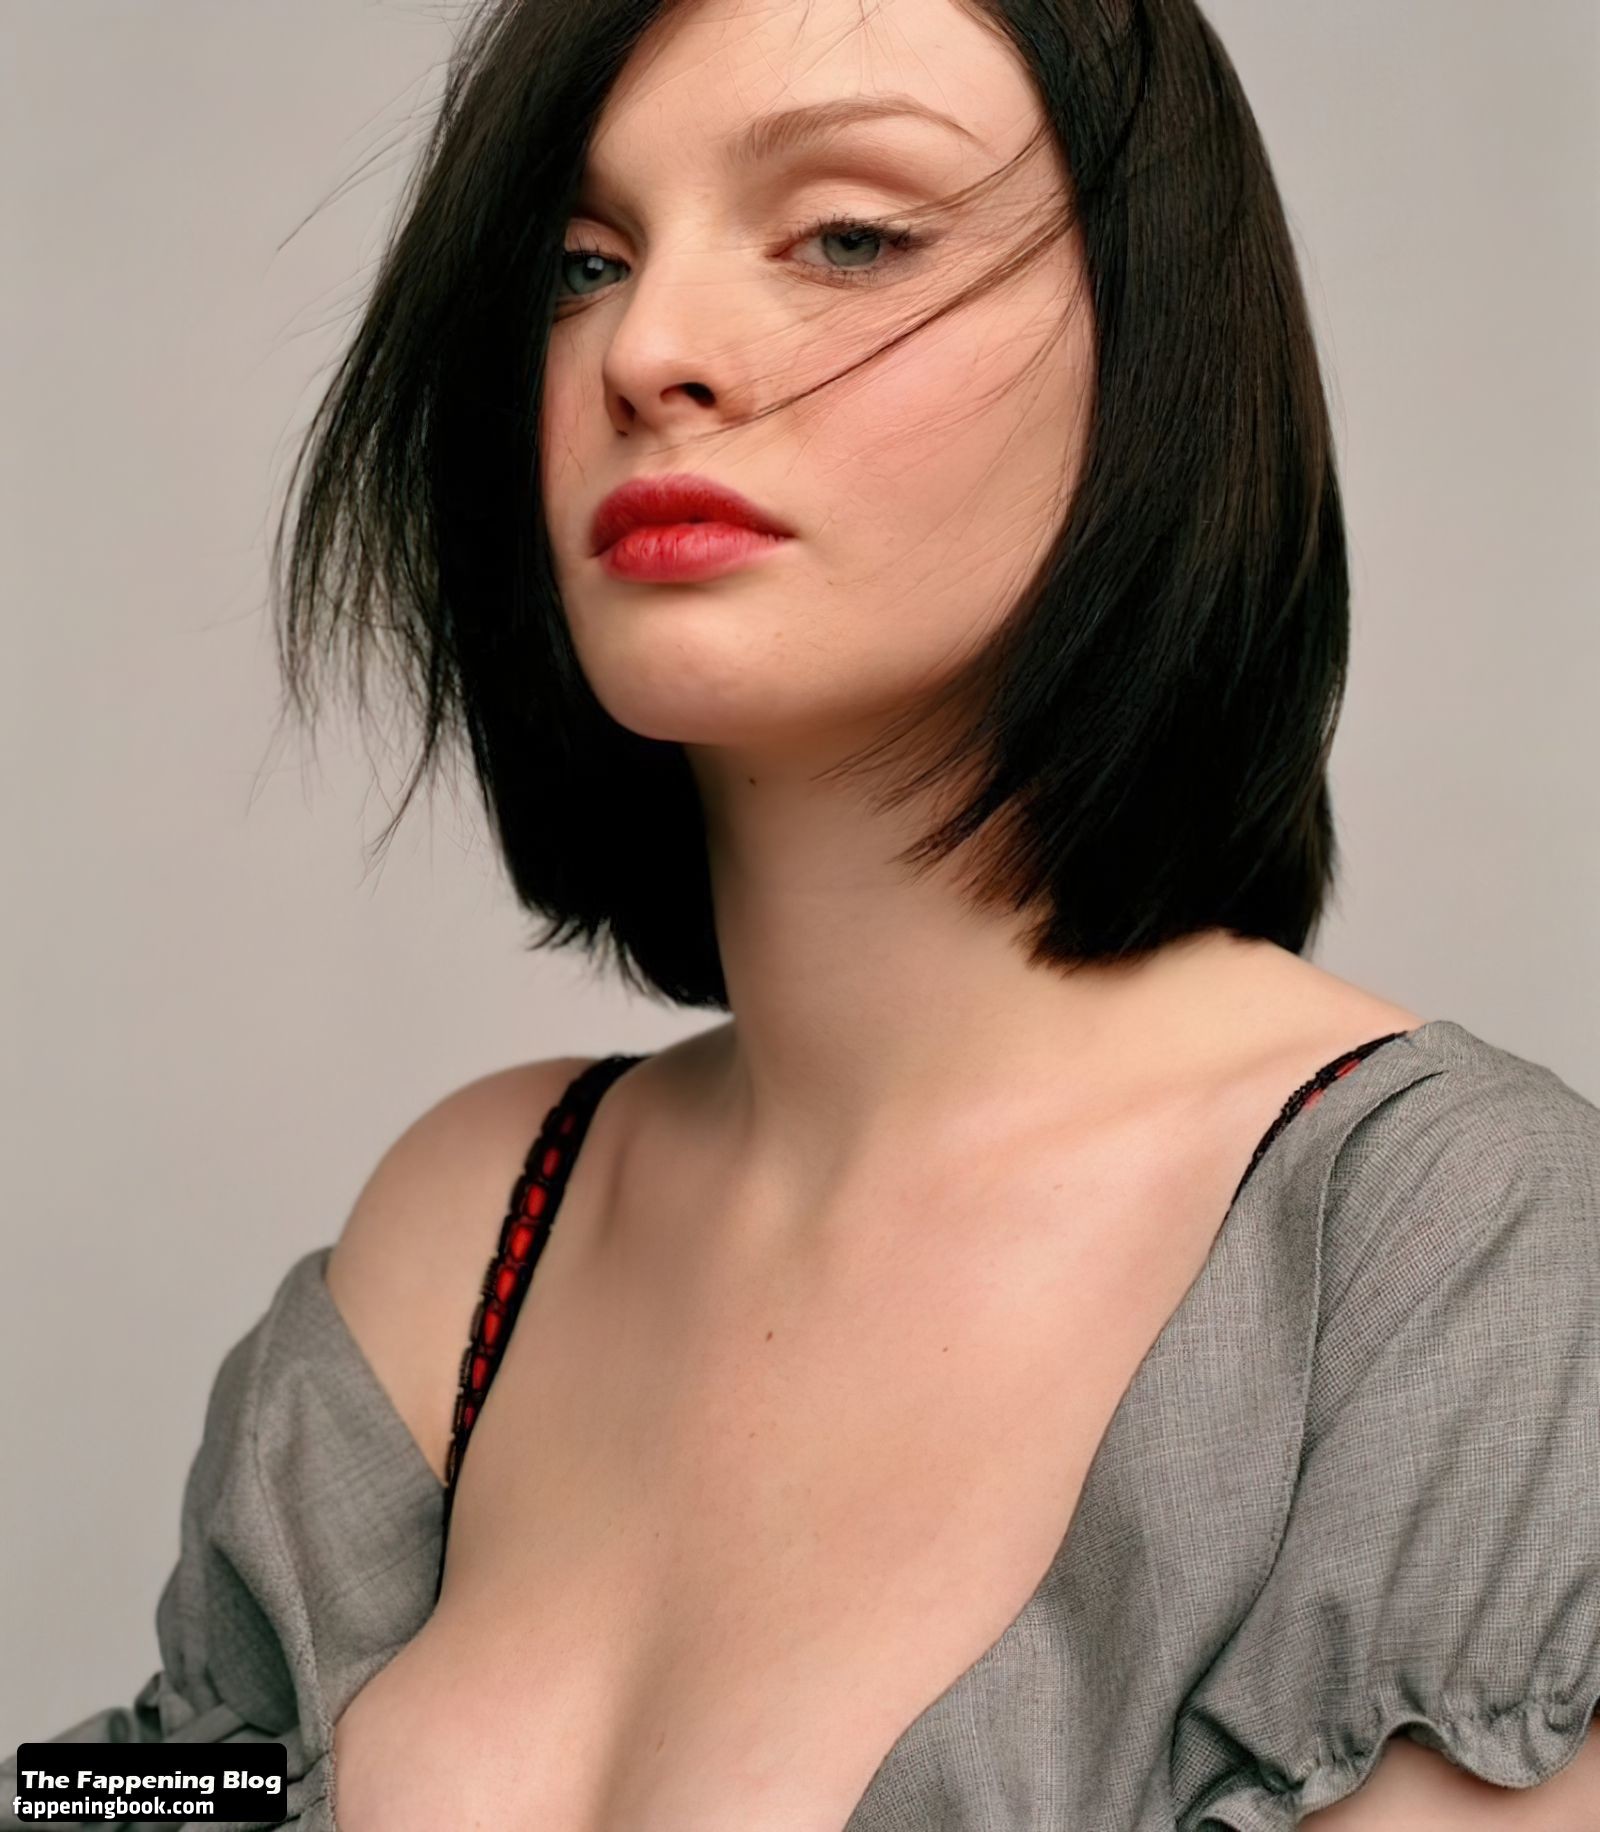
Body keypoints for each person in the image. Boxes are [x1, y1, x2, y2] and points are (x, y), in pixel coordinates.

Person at [6, 0, 1598, 1827]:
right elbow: (150, 1790)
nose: (648, 350)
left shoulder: (1457, 1257)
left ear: (1157, 346)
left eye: (849, 238)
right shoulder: (472, 1223)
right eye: (584, 263)